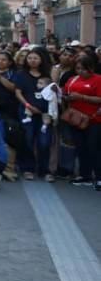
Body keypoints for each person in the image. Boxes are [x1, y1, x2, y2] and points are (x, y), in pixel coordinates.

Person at [61, 55, 101, 189]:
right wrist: (64, 96)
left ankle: (99, 177)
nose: (81, 71)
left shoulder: (98, 79)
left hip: (94, 119)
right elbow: (65, 93)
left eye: (84, 69)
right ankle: (86, 176)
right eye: (78, 68)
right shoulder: (72, 79)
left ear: (91, 68)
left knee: (94, 148)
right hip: (76, 119)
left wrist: (81, 97)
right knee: (81, 147)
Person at [14, 49, 51, 181]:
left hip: (44, 113)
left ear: (41, 59)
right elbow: (18, 92)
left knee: (44, 141)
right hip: (26, 111)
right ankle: (27, 168)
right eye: (30, 58)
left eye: (36, 58)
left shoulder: (47, 74)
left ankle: (44, 170)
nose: (32, 60)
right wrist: (28, 105)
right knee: (28, 139)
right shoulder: (20, 74)